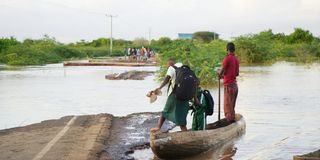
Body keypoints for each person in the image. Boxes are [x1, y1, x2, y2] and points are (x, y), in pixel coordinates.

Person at [150, 59, 199, 132]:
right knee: (182, 117)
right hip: (186, 96)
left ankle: (158, 128)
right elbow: (194, 84)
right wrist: (195, 98)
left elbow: (167, 78)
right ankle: (185, 132)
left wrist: (159, 88)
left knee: (165, 112)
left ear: (170, 63)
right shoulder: (186, 69)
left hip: (174, 95)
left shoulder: (171, 68)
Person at [218, 42, 239, 122]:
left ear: (227, 49)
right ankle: (231, 121)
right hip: (235, 86)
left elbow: (221, 72)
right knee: (231, 107)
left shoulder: (227, 59)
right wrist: (224, 76)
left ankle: (229, 123)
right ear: (234, 50)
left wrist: (219, 73)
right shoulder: (236, 59)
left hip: (229, 86)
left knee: (227, 107)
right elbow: (236, 74)